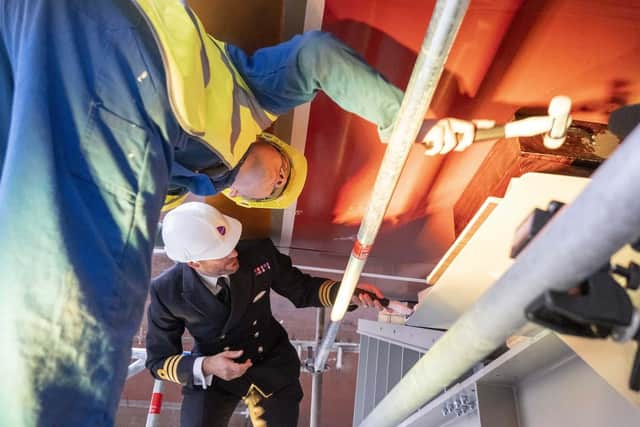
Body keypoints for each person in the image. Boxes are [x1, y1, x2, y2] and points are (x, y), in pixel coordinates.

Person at [0, 1, 486, 425]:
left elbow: (299, 289)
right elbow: (316, 55)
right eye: (281, 171)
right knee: (75, 309)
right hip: (131, 50)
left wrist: (354, 296)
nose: (276, 180)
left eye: (277, 186)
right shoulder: (249, 95)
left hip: (28, 35)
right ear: (268, 141)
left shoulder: (179, 193)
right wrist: (403, 118)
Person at [146, 202, 387, 427]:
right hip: (214, 375)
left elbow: (302, 289)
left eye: (231, 242)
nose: (233, 253)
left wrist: (348, 293)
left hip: (270, 362)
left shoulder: (258, 252)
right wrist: (207, 365)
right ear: (194, 263)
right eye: (222, 252)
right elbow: (158, 361)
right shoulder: (166, 291)